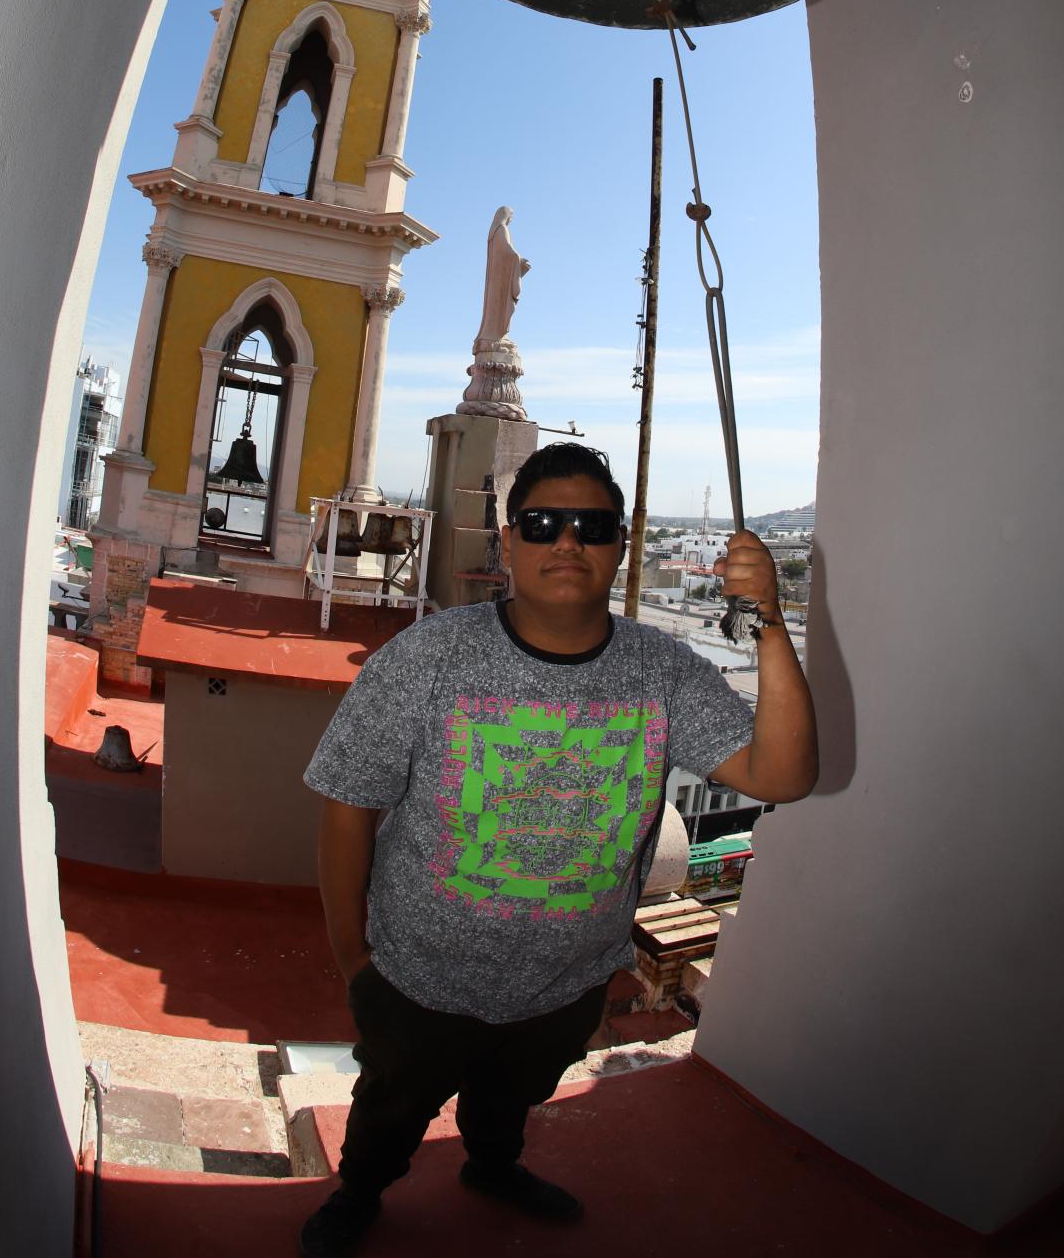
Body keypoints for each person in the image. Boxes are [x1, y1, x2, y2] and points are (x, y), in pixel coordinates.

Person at [299, 441, 818, 1256]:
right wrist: (353, 961)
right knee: (390, 1109)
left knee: (510, 1103)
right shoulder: (425, 660)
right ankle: (358, 1192)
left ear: (619, 544)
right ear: (507, 542)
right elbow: (347, 808)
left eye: (591, 525)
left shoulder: (665, 671)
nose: (566, 543)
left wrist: (770, 622)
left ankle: (491, 1166)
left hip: (565, 982)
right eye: (541, 524)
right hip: (418, 978)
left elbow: (780, 773)